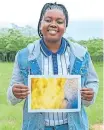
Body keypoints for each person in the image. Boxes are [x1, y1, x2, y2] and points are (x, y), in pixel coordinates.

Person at [7, 2, 99, 130]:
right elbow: (11, 95)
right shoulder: (24, 56)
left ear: (65, 26)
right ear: (40, 24)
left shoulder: (81, 54)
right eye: (48, 20)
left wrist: (90, 94)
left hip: (73, 126)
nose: (53, 24)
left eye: (60, 21)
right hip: (37, 126)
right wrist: (14, 92)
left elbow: (92, 82)